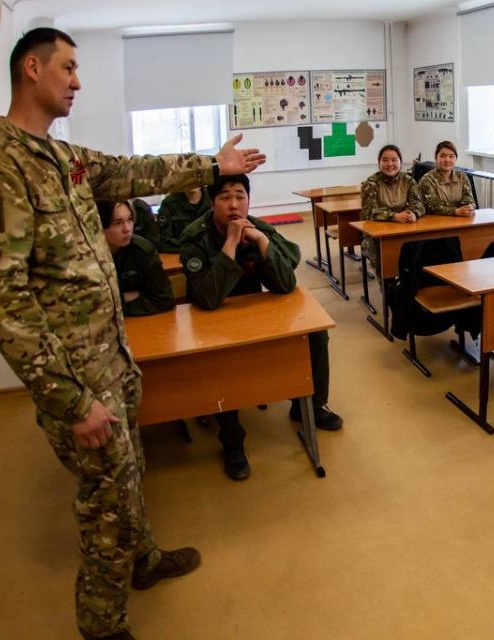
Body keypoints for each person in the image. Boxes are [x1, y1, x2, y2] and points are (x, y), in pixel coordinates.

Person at [0, 27, 265, 640]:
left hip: (111, 359)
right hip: (76, 379)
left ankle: (143, 559)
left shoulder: (62, 157)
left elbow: (132, 171)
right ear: (32, 68)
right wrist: (70, 401)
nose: (77, 81)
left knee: (128, 476)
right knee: (106, 502)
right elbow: (4, 306)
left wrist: (213, 166)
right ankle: (100, 624)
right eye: (68, 68)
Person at [178, 174, 342, 481]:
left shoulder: (258, 228)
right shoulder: (195, 238)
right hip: (212, 321)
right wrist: (230, 243)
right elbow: (208, 299)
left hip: (254, 312)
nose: (234, 205)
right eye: (225, 197)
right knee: (222, 356)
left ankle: (309, 406)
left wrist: (263, 243)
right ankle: (232, 442)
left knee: (314, 333)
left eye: (240, 196)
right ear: (212, 203)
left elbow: (285, 284)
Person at [99, 200, 175, 317]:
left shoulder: (142, 250)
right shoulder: (86, 255)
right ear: (100, 226)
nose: (127, 229)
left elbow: (165, 299)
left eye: (130, 220)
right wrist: (127, 297)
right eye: (117, 223)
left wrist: (118, 302)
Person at [359, 144, 424, 272]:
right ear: (379, 163)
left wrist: (413, 213)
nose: (390, 164)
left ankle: (410, 278)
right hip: (376, 235)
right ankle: (387, 282)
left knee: (420, 248)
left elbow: (419, 204)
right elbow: (369, 211)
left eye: (394, 160)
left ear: (400, 162)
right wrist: (394, 216)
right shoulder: (370, 183)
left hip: (403, 229)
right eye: (385, 160)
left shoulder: (408, 181)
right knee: (385, 263)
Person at [418, 140, 477, 216]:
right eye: (442, 156)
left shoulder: (462, 177)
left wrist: (469, 207)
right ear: (436, 158)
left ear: (456, 158)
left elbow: (469, 199)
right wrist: (455, 211)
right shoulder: (427, 180)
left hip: (460, 219)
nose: (447, 160)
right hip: (435, 220)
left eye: (451, 156)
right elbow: (432, 206)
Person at [157, 186, 210, 252]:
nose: (192, 182)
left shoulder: (213, 199)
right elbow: (164, 241)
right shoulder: (169, 204)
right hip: (179, 253)